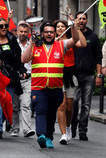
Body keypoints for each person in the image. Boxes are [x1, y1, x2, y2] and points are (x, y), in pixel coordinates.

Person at [22, 20, 79, 149]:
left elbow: (75, 40)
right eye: (46, 32)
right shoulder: (35, 46)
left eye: (51, 32)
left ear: (55, 34)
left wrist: (73, 27)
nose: (49, 34)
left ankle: (49, 137)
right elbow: (24, 59)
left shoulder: (61, 45)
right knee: (41, 111)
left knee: (51, 114)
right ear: (42, 33)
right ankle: (41, 135)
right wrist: (31, 43)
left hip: (56, 88)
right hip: (39, 88)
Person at [0, 17, 25, 139]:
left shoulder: (11, 39)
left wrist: (21, 70)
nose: (4, 27)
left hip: (9, 77)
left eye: (5, 25)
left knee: (7, 102)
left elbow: (18, 57)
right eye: (1, 26)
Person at [71, 12, 102, 141]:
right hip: (74, 75)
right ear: (76, 20)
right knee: (73, 102)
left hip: (88, 75)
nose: (82, 20)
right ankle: (72, 126)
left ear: (87, 21)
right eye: (79, 19)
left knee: (86, 104)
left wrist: (98, 75)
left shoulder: (93, 37)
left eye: (84, 19)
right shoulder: (72, 34)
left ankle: (83, 130)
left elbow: (98, 57)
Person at [54, 19, 86, 144]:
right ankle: (63, 134)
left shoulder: (70, 41)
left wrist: (76, 27)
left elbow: (83, 44)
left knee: (69, 107)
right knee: (61, 106)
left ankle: (68, 127)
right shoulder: (53, 41)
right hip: (57, 74)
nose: (60, 28)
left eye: (63, 26)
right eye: (58, 26)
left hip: (70, 75)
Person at [15, 22, 35, 138]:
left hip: (28, 78)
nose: (23, 34)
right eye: (21, 31)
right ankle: (15, 127)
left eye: (25, 32)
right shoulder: (13, 43)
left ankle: (27, 129)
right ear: (17, 32)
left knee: (26, 104)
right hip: (15, 79)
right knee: (14, 105)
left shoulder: (32, 44)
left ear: (28, 33)